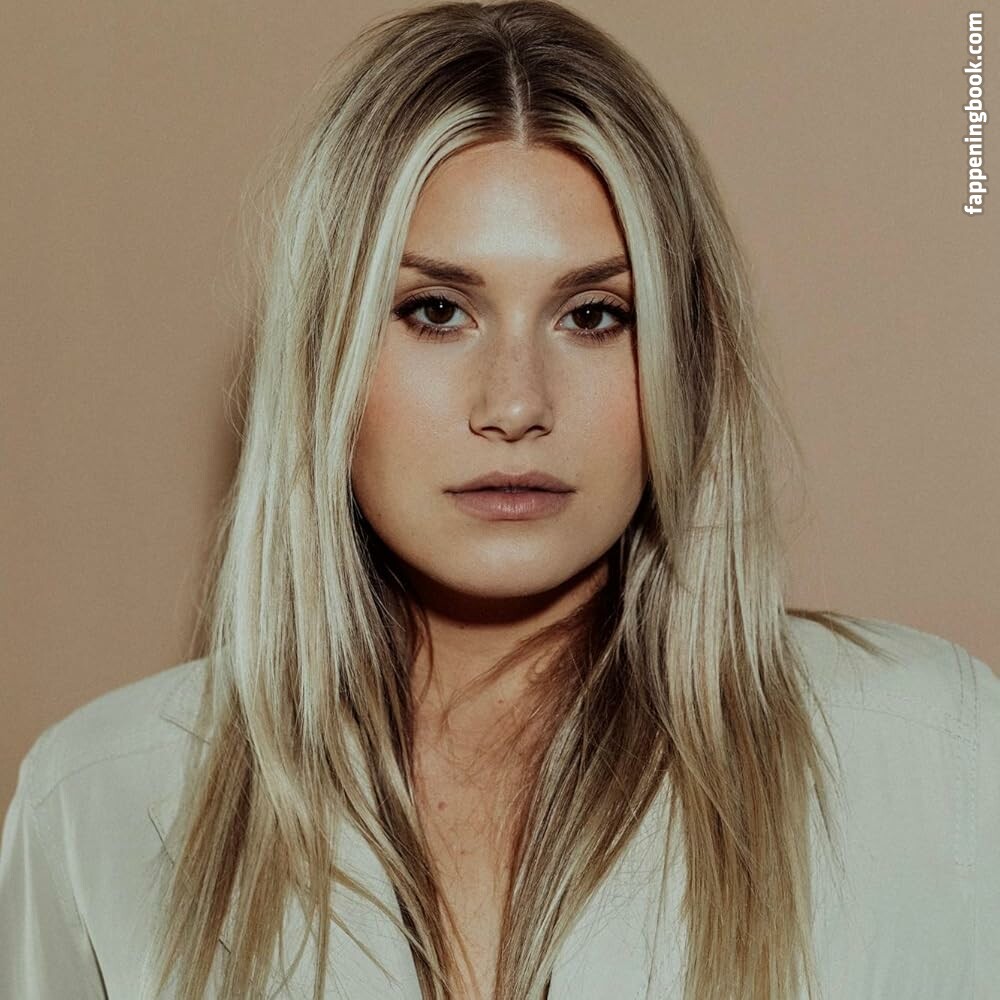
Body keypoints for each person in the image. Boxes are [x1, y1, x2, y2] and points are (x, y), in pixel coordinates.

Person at [1, 2, 997, 998]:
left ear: (682, 363)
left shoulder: (927, 755)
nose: (516, 404)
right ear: (322, 358)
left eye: (593, 315)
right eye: (435, 310)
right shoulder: (101, 803)